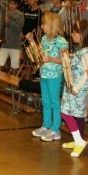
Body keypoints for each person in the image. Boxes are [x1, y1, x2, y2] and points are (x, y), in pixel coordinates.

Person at [30, 12, 68, 141]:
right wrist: (31, 41)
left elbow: (65, 60)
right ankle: (46, 125)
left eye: (44, 24)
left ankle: (55, 129)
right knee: (45, 101)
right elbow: (40, 54)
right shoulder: (44, 38)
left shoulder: (62, 41)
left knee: (54, 102)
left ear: (51, 25)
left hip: (55, 76)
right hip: (44, 75)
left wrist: (51, 58)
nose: (42, 26)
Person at [60, 20, 88, 157]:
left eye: (75, 32)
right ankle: (77, 140)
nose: (72, 34)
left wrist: (76, 87)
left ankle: (79, 141)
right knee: (76, 115)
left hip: (78, 89)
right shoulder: (81, 50)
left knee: (65, 112)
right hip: (72, 87)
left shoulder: (87, 53)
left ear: (83, 35)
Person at [0, 0, 24, 73]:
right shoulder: (5, 13)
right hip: (5, 43)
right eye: (10, 3)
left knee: (14, 66)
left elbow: (18, 29)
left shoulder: (20, 15)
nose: (11, 5)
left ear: (17, 5)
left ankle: (12, 85)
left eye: (13, 3)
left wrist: (9, 22)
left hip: (15, 44)